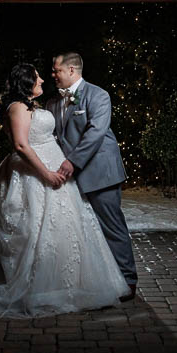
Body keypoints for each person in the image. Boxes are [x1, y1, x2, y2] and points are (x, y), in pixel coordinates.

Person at [0, 63, 130, 317]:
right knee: (31, 226)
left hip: (54, 167)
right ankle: (35, 285)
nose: (43, 80)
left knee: (64, 227)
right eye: (37, 78)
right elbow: (22, 146)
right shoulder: (18, 107)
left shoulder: (33, 106)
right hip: (33, 173)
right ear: (26, 83)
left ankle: (64, 281)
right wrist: (45, 173)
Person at [46, 52, 137, 300]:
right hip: (69, 176)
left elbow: (96, 132)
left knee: (111, 226)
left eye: (57, 71)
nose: (53, 75)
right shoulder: (53, 102)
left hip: (99, 172)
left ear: (72, 70)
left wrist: (72, 162)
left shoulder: (98, 95)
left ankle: (128, 281)